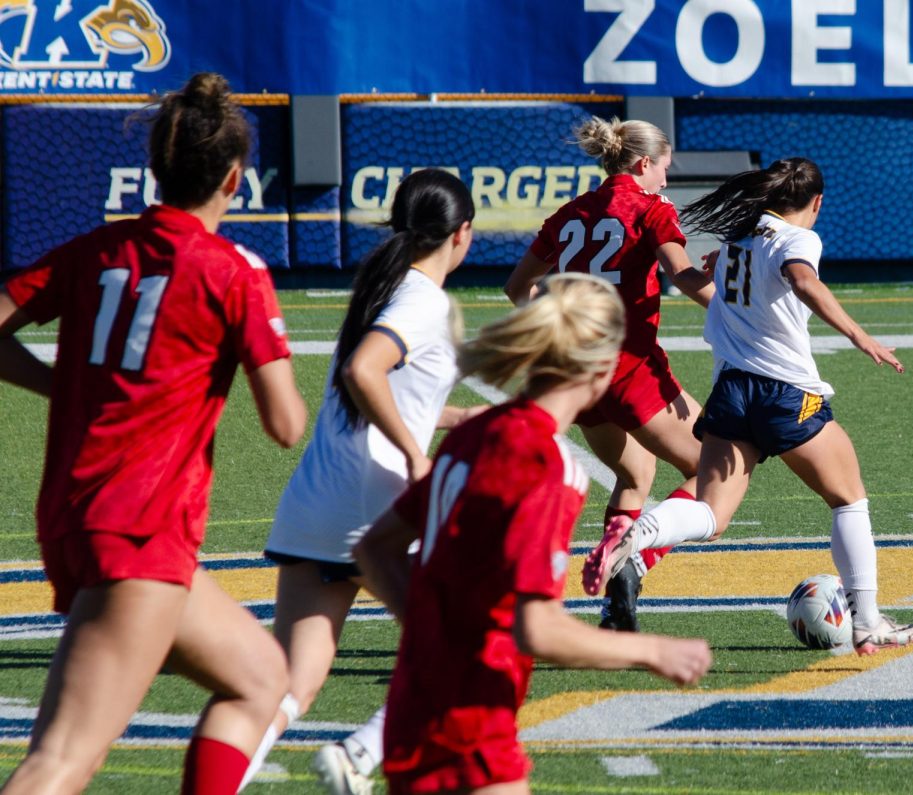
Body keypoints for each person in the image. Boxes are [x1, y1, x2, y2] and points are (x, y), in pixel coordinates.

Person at [0, 73, 307, 794]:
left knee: (261, 679)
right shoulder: (233, 272)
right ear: (237, 178)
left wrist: (61, 383)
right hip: (139, 530)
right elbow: (286, 424)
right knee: (64, 758)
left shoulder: (95, 250)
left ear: (156, 170)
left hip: (92, 521)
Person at [354, 272, 712, 795]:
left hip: (416, 706)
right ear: (602, 366)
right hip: (472, 729)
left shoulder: (478, 431)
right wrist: (653, 653)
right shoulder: (548, 464)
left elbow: (374, 548)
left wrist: (437, 635)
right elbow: (538, 630)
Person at [582, 158, 913, 656]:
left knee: (711, 515)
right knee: (849, 498)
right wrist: (860, 336)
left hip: (731, 393)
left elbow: (720, 270)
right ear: (817, 203)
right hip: (785, 393)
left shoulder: (741, 234)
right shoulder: (797, 238)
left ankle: (644, 532)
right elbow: (803, 280)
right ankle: (867, 623)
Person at [240, 170, 481, 795]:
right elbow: (363, 371)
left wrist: (451, 419)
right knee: (464, 645)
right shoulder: (424, 299)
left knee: (293, 682)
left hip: (318, 501)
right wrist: (416, 454)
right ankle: (359, 756)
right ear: (463, 235)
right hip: (378, 503)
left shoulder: (383, 284)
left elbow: (387, 388)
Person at [504, 116, 713, 633]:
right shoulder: (651, 207)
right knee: (718, 471)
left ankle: (617, 608)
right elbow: (681, 276)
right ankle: (635, 557)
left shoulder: (573, 211)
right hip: (629, 370)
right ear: (643, 164)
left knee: (634, 477)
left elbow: (517, 288)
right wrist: (731, 302)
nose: (667, 179)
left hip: (576, 370)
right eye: (664, 168)